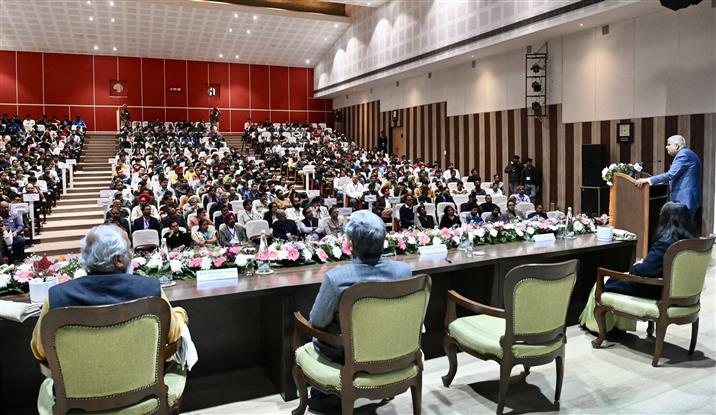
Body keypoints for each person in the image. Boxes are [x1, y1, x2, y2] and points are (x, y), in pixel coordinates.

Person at [30, 224, 188, 362]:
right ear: (119, 259)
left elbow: (40, 350)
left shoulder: (56, 296)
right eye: (129, 250)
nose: (131, 254)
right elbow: (173, 335)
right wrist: (180, 313)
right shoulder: (150, 289)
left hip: (78, 393)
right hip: (141, 388)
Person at [307, 210, 412, 411]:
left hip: (346, 354)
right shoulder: (403, 271)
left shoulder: (336, 279)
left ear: (351, 246)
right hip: (392, 347)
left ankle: (323, 396)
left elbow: (317, 321)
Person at [579, 202, 699, 333]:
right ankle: (618, 326)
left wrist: (638, 266)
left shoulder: (665, 244)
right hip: (682, 292)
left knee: (603, 282)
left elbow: (644, 271)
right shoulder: (694, 244)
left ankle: (597, 328)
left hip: (656, 290)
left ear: (664, 220)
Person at [636, 135, 702, 228]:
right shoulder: (688, 153)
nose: (666, 147)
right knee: (684, 231)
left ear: (677, 146)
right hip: (687, 200)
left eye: (668, 144)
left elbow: (670, 175)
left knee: (682, 232)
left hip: (685, 200)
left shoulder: (684, 155)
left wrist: (647, 180)